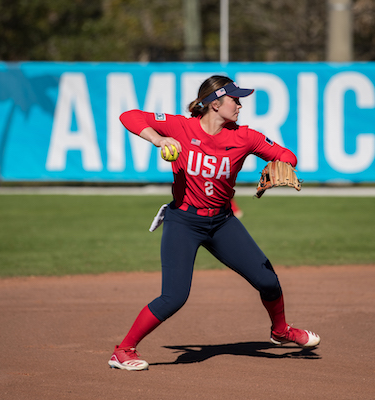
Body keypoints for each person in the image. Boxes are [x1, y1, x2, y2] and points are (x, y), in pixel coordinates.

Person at [108, 75, 320, 371]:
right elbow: (128, 116)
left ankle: (280, 331)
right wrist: (159, 139)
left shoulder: (245, 137)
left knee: (268, 280)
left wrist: (278, 166)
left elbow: (289, 156)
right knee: (174, 297)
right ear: (215, 103)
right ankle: (123, 350)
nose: (240, 105)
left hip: (221, 222)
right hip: (183, 221)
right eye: (235, 99)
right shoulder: (180, 127)